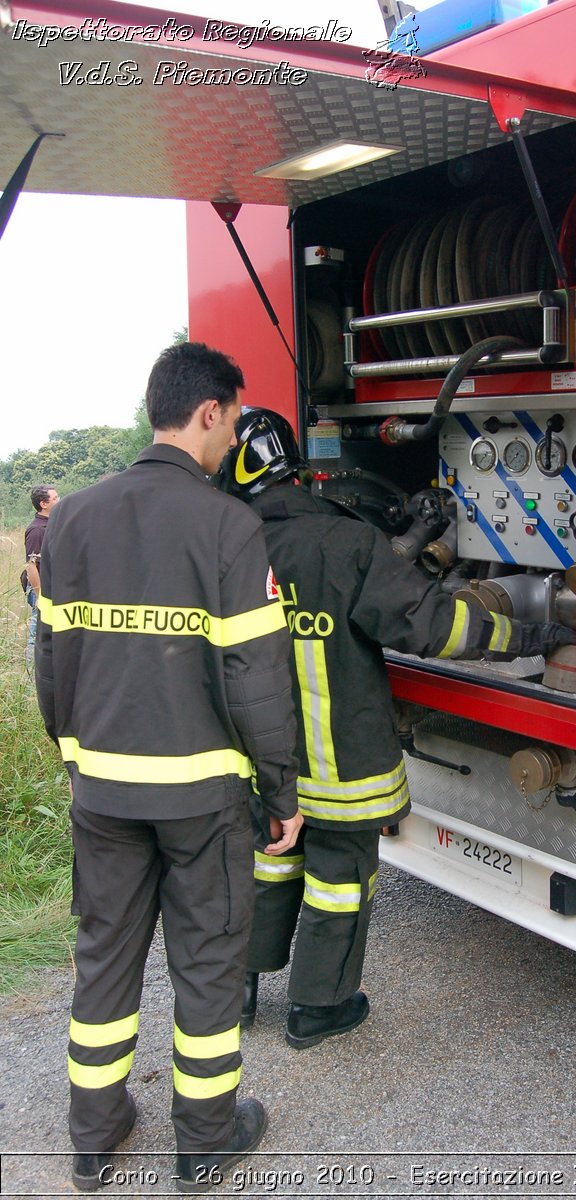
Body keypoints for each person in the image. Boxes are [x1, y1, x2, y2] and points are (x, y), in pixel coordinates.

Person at [218, 409, 575, 1049]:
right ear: (295, 468)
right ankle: (316, 1008)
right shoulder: (343, 543)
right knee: (339, 876)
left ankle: (238, 993)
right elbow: (434, 626)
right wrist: (526, 637)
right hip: (341, 766)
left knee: (268, 861)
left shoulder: (223, 552)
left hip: (259, 764)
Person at [35, 346, 302, 1194]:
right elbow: (257, 680)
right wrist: (281, 790)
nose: (228, 446)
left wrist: (74, 753)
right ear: (212, 413)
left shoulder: (73, 517)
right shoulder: (228, 526)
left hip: (102, 791)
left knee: (104, 958)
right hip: (201, 801)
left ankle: (94, 1133)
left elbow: (53, 661)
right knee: (207, 966)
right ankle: (204, 1142)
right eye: (229, 423)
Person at [22, 483, 59, 666]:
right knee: (38, 631)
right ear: (43, 504)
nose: (58, 500)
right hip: (39, 587)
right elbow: (31, 566)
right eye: (55, 498)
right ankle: (30, 672)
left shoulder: (52, 524)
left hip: (51, 586)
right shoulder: (37, 529)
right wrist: (39, 594)